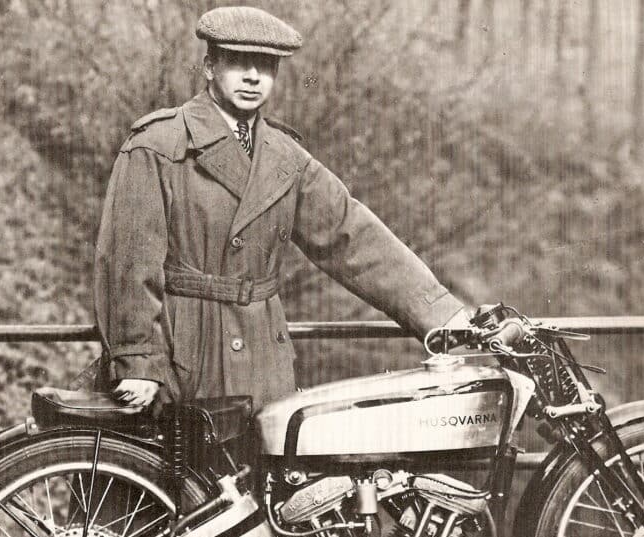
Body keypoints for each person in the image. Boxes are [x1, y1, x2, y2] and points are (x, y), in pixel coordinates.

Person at [93, 5, 472, 411]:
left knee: (268, 470)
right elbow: (128, 263)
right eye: (239, 63)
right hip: (185, 352)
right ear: (209, 67)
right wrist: (138, 362)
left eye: (266, 66)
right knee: (184, 473)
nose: (253, 77)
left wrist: (444, 315)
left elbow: (352, 237)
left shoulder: (285, 155)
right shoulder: (159, 144)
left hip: (263, 356)